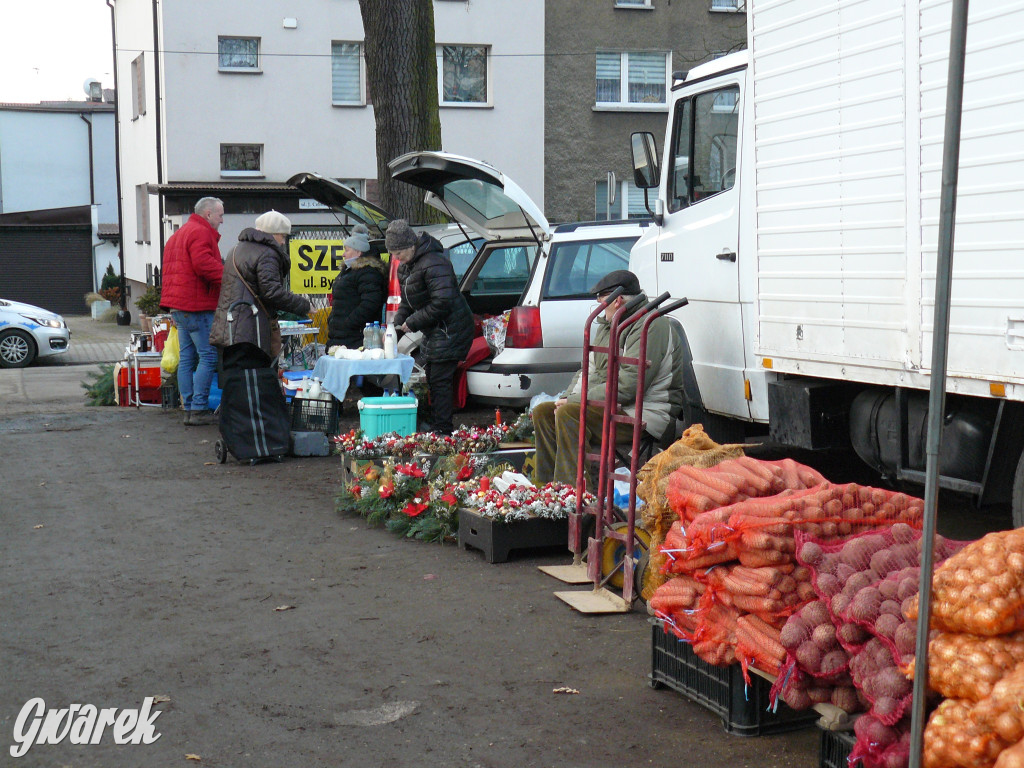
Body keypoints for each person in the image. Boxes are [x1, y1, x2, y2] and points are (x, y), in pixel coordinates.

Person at [532, 269, 686, 488]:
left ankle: (572, 497)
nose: (597, 303)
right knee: (543, 412)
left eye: (601, 298)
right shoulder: (608, 326)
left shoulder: (651, 326)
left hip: (647, 413)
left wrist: (576, 402)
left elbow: (630, 385)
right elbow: (588, 370)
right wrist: (568, 396)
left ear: (618, 300)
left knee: (570, 414)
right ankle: (546, 492)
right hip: (615, 405)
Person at [387, 219, 474, 435]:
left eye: (397, 252)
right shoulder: (406, 267)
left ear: (410, 245)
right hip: (435, 328)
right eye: (393, 254)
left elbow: (442, 302)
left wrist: (414, 322)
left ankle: (442, 431)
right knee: (434, 378)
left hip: (450, 328)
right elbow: (407, 302)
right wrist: (395, 325)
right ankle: (437, 427)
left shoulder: (435, 263)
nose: (395, 258)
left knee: (440, 380)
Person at [209, 210, 311, 371]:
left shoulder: (236, 249)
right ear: (271, 234)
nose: (283, 242)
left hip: (228, 327)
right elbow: (271, 291)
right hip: (251, 329)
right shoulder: (267, 254)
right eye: (282, 236)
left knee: (237, 381)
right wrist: (304, 306)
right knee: (257, 381)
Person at [161, 196, 224, 426]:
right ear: (208, 214)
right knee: (208, 357)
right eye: (220, 215)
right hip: (197, 306)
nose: (222, 220)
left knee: (187, 358)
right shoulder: (201, 232)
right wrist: (229, 278)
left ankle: (188, 408)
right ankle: (198, 409)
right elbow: (203, 265)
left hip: (178, 306)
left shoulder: (179, 234)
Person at [326, 224, 387, 349]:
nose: (343, 254)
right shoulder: (349, 271)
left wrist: (348, 323)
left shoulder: (368, 272)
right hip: (341, 336)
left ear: (358, 252)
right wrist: (333, 321)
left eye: (347, 250)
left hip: (355, 337)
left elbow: (370, 303)